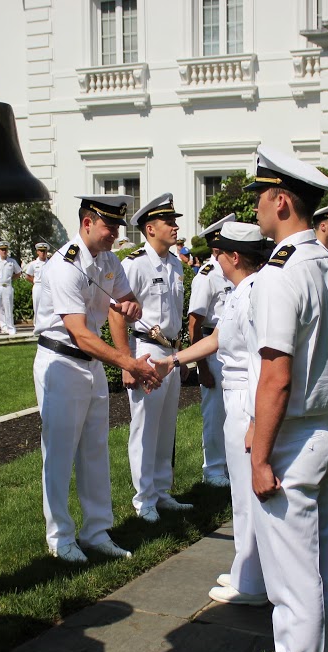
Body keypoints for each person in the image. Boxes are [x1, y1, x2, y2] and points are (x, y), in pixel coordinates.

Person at [243, 145, 328, 652]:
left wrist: (260, 456)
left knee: (292, 580)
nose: (256, 210)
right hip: (326, 428)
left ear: (282, 200)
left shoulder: (280, 273)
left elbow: (276, 374)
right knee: (324, 558)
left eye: (260, 198)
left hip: (292, 438)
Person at [153, 220, 273, 606]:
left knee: (247, 494)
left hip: (245, 398)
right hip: (236, 396)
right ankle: (247, 569)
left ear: (235, 257)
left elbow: (261, 359)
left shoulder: (255, 293)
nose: (214, 259)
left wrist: (255, 418)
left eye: (219, 253)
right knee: (241, 493)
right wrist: (174, 360)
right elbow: (218, 337)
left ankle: (253, 581)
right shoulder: (243, 290)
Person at [34, 194, 159, 563]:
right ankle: (60, 537)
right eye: (110, 226)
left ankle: (96, 530)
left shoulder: (109, 260)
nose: (115, 234)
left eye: (118, 227)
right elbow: (80, 333)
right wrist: (128, 362)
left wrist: (131, 304)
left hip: (90, 365)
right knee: (58, 452)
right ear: (87, 222)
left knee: (94, 448)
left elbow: (125, 299)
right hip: (61, 362)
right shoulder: (64, 264)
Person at [109, 193, 194, 522]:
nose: (175, 227)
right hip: (145, 351)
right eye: (169, 222)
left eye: (175, 221)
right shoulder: (136, 264)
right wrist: (125, 361)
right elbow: (116, 313)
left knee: (165, 427)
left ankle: (161, 490)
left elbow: (176, 313)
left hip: (170, 351)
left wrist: (181, 355)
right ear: (149, 228)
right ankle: (143, 499)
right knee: (144, 428)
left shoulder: (174, 264)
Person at [187, 213, 235, 488]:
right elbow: (195, 322)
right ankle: (213, 468)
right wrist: (201, 366)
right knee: (215, 412)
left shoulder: (232, 271)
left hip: (232, 347)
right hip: (211, 347)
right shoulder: (207, 276)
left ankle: (228, 464)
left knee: (234, 410)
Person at [0, 242, 21, 335]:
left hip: (7, 286)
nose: (4, 251)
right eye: (2, 249)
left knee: (8, 308)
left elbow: (18, 272)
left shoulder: (12, 261)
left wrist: (11, 279)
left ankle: (10, 328)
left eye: (5, 249)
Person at [25, 241, 51, 318]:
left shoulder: (51, 263)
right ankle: (36, 325)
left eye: (44, 251)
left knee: (48, 306)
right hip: (38, 286)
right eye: (41, 251)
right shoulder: (33, 264)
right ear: (37, 252)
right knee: (37, 306)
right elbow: (28, 276)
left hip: (48, 287)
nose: (43, 253)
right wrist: (35, 281)